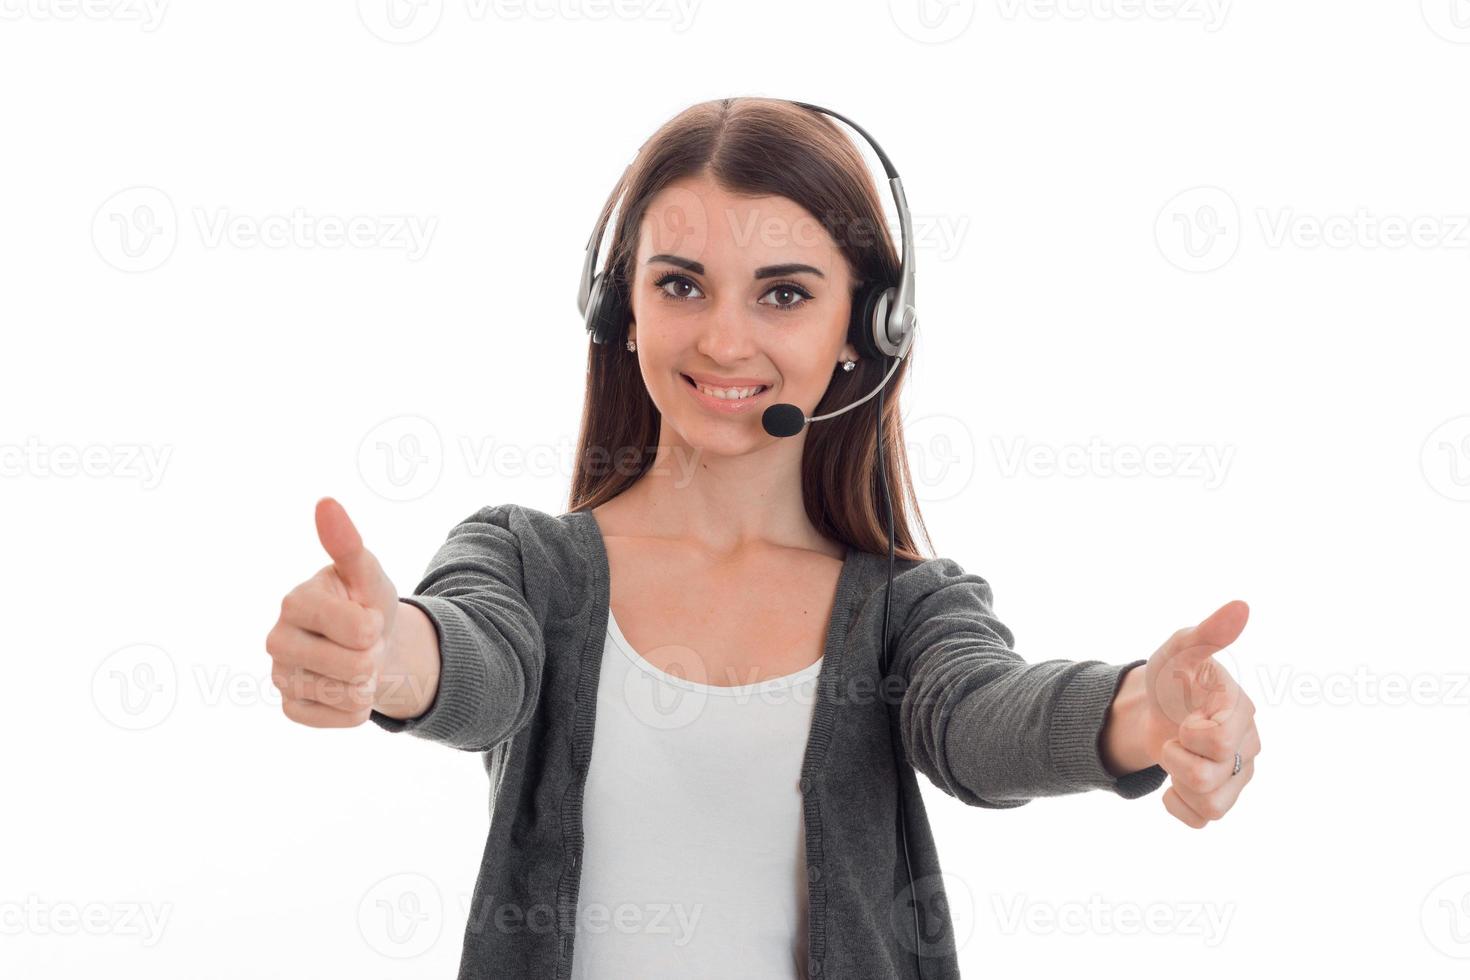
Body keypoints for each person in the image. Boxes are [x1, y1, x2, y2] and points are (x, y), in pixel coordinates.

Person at [264, 97, 1261, 980]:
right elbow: (475, 659)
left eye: (783, 292)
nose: (724, 340)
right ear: (621, 307)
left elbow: (982, 718)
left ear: (861, 326)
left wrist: (1142, 709)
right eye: (681, 285)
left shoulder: (906, 609)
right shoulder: (527, 564)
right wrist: (387, 652)